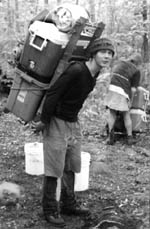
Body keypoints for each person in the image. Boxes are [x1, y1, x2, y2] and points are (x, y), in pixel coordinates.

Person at [32, 37, 115, 227]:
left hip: (73, 123)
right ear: (93, 53)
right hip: (56, 122)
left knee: (72, 164)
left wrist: (74, 122)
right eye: (103, 52)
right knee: (54, 168)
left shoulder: (94, 76)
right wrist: (44, 121)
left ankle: (68, 203)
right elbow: (53, 93)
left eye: (110, 53)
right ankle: (50, 209)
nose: (107, 56)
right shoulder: (77, 69)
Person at [105, 53, 142, 145]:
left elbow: (112, 76)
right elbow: (133, 89)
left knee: (112, 113)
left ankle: (110, 137)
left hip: (112, 88)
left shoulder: (120, 63)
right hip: (122, 91)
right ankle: (129, 138)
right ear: (138, 63)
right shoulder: (136, 70)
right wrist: (131, 101)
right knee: (126, 114)